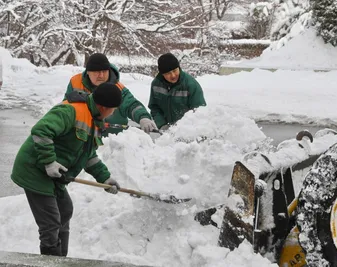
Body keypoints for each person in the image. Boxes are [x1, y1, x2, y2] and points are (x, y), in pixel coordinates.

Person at [11, 82, 123, 257]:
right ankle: (51, 261)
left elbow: (89, 156)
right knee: (51, 222)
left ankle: (61, 259)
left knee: (65, 210)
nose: (113, 113)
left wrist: (105, 178)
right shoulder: (71, 111)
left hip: (55, 173)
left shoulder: (93, 119)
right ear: (103, 107)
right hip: (34, 169)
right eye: (113, 109)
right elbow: (41, 131)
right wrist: (49, 162)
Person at [64, 52, 157, 135]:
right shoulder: (75, 83)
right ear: (88, 72)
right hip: (83, 137)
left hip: (113, 141)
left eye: (104, 71)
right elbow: (66, 108)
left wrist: (143, 117)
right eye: (97, 72)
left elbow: (132, 105)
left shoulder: (117, 88)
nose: (101, 75)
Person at [148, 53, 206, 130]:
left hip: (187, 131)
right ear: (162, 74)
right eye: (168, 73)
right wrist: (162, 125)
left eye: (175, 70)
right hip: (166, 132)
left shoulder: (191, 85)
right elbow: (154, 108)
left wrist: (185, 129)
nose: (173, 75)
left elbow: (199, 112)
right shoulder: (156, 84)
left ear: (179, 68)